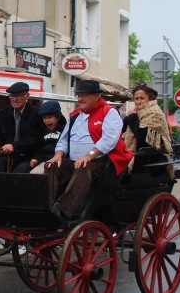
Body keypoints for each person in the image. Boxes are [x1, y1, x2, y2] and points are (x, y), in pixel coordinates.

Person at [45, 80, 133, 223]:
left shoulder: (109, 113)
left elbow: (109, 139)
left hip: (101, 162)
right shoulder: (74, 116)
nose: (80, 99)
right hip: (75, 160)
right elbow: (63, 140)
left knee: (84, 167)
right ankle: (46, 206)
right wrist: (58, 154)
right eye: (78, 95)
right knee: (52, 166)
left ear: (97, 96)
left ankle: (62, 209)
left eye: (84, 95)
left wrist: (89, 155)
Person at [0, 81, 42, 173]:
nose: (15, 99)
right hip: (6, 156)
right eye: (12, 96)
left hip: (28, 157)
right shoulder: (2, 114)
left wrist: (14, 146)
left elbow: (33, 139)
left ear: (27, 96)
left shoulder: (36, 114)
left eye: (18, 95)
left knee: (19, 173)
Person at [121, 82, 174, 177]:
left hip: (150, 160)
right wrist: (128, 117)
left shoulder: (154, 113)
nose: (138, 101)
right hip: (139, 156)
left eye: (142, 98)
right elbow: (122, 130)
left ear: (150, 99)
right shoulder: (137, 113)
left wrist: (132, 117)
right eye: (136, 99)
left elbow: (143, 136)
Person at [29, 101, 66, 174]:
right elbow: (39, 148)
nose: (47, 121)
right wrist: (36, 159)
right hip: (44, 161)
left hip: (59, 162)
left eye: (50, 117)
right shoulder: (42, 131)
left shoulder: (64, 130)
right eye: (44, 118)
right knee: (33, 174)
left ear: (58, 117)